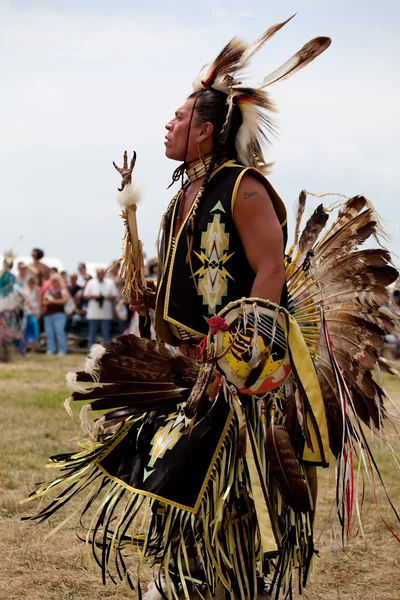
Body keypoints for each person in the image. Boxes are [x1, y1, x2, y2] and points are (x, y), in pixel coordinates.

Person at [25, 19, 400, 600]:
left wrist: (251, 349)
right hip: (189, 364)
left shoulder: (242, 188)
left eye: (177, 119)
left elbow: (270, 267)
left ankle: (240, 578)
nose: (167, 126)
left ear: (205, 133)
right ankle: (193, 573)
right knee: (173, 473)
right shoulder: (181, 199)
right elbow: (175, 282)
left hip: (236, 368)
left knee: (229, 483)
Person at [84, 267, 119, 348]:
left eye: (101, 274)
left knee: (105, 333)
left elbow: (115, 296)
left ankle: (106, 350)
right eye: (98, 274)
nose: (100, 276)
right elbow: (85, 295)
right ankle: (91, 350)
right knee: (92, 333)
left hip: (105, 313)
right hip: (93, 313)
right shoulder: (91, 283)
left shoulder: (110, 283)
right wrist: (94, 296)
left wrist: (105, 297)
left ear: (104, 274)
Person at [42, 273, 69, 355]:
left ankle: (62, 350)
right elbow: (43, 302)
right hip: (48, 314)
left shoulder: (63, 290)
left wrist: (53, 301)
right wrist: (48, 302)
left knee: (60, 332)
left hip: (59, 314)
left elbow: (65, 300)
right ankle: (51, 349)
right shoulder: (48, 291)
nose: (54, 283)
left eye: (55, 281)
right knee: (49, 333)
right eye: (52, 281)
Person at [20, 275, 41, 354]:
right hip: (26, 311)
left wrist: (38, 312)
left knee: (34, 328)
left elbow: (39, 302)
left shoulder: (37, 289)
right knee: (24, 329)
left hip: (34, 312)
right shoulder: (24, 288)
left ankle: (33, 348)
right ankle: (24, 347)